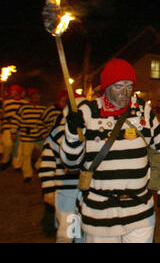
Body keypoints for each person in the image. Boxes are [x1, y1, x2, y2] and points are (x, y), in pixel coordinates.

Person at [60, 58, 160, 243]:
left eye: (129, 85)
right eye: (119, 86)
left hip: (140, 210)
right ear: (105, 87)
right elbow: (70, 162)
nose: (125, 92)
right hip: (100, 214)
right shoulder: (87, 112)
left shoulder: (143, 111)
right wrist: (72, 133)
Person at [38, 95, 87, 243]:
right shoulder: (58, 132)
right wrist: (48, 190)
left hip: (86, 192)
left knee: (83, 232)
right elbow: (47, 162)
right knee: (67, 230)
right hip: (66, 192)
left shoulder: (90, 134)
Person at [10, 88, 46, 182]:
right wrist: (13, 132)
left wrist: (45, 133)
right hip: (26, 136)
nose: (36, 97)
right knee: (26, 156)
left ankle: (38, 165)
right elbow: (15, 120)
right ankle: (27, 175)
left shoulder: (43, 109)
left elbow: (45, 122)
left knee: (46, 153)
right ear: (30, 97)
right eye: (34, 95)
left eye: (38, 95)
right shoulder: (24, 108)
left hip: (39, 136)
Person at [0, 85, 28, 171]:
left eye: (14, 91)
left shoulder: (25, 103)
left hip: (19, 127)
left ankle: (17, 165)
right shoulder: (6, 102)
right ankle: (6, 161)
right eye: (11, 91)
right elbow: (3, 114)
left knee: (18, 148)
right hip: (7, 126)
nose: (12, 93)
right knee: (8, 144)